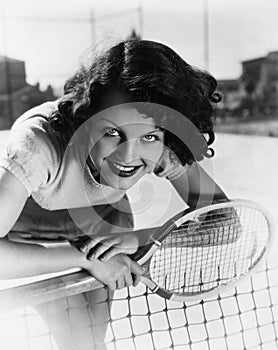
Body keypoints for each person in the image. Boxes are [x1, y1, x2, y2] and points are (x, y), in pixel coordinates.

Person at [0, 39, 227, 349]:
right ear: (85, 118)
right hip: (24, 234)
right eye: (111, 132)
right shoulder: (39, 147)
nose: (128, 156)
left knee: (88, 343)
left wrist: (143, 238)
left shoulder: (164, 144)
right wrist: (86, 258)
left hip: (100, 224)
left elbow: (226, 221)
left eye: (148, 136)